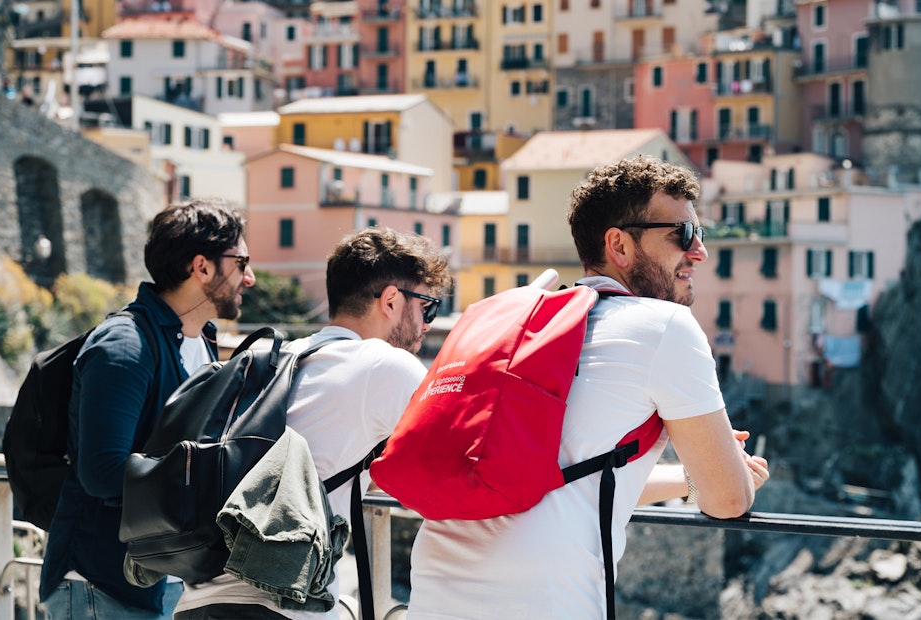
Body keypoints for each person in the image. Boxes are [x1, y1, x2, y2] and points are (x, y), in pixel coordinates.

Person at [407, 155, 770, 619]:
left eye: (700, 234)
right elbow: (728, 501)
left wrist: (688, 476)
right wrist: (730, 474)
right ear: (619, 245)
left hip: (434, 594)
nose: (698, 251)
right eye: (682, 234)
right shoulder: (666, 327)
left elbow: (563, 474)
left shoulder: (529, 328)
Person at [174, 226, 452, 619]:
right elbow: (450, 470)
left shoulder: (280, 359)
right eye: (427, 307)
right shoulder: (384, 365)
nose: (426, 325)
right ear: (390, 300)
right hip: (279, 606)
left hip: (197, 603)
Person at [40, 200, 256, 620]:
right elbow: (103, 472)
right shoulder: (125, 346)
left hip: (159, 581)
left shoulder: (202, 342)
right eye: (241, 261)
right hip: (100, 584)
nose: (249, 277)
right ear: (203, 267)